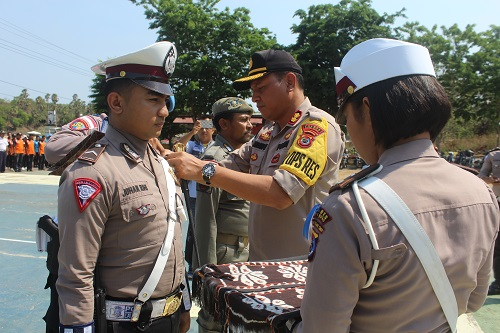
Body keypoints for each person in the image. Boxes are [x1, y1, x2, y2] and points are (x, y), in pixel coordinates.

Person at [291, 38, 500, 333]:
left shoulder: (350, 208)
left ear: (367, 109)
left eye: (347, 117)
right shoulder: (481, 191)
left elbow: (322, 327)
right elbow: (475, 298)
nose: (349, 130)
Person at [56, 41, 191, 333]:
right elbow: (76, 272)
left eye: (166, 101)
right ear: (116, 103)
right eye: (153, 100)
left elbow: (172, 239)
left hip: (169, 316)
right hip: (123, 324)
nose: (165, 111)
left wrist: (184, 304)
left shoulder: (158, 159)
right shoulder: (92, 172)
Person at [166, 49, 345, 261]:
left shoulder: (315, 127)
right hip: (263, 265)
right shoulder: (268, 132)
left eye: (260, 88)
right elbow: (230, 164)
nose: (254, 98)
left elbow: (280, 194)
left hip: (300, 269)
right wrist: (171, 160)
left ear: (289, 82)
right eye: (253, 90)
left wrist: (202, 170)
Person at [194, 97, 253, 333]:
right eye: (244, 120)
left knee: (240, 319)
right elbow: (205, 217)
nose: (250, 125)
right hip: (225, 253)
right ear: (224, 124)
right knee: (216, 319)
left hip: (245, 250)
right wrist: (208, 271)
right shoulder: (215, 159)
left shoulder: (243, 154)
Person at [174, 115, 215, 273]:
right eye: (201, 127)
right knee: (193, 230)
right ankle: (192, 264)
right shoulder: (192, 145)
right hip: (193, 195)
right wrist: (192, 132)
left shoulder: (216, 146)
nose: (204, 130)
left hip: (211, 195)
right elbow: (178, 145)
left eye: (207, 126)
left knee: (208, 228)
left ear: (214, 129)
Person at [478, 147, 500, 295]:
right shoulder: (492, 156)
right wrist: (492, 180)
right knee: (497, 245)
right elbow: (481, 176)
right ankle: (498, 283)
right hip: (499, 203)